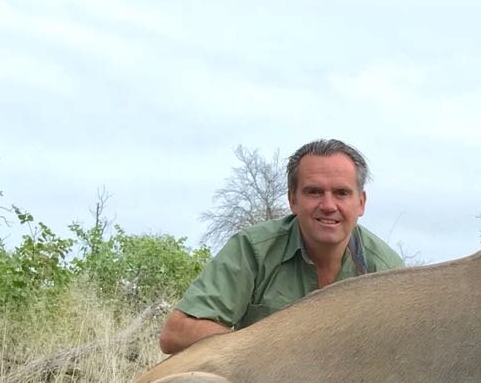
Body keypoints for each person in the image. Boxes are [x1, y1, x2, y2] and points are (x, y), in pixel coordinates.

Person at [160, 139, 404, 354]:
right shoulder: (253, 249)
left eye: (341, 193)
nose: (328, 205)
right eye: (314, 192)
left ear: (360, 203)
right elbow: (176, 333)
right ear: (292, 200)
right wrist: (276, 349)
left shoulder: (387, 271)